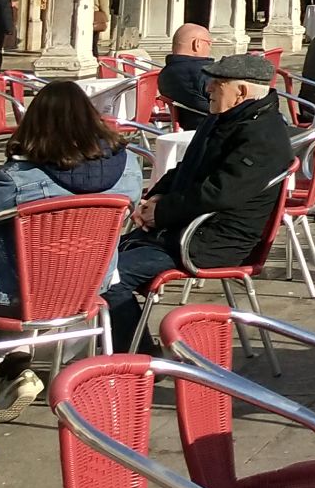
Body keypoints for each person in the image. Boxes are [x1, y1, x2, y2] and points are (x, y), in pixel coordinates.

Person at [0, 79, 139, 408]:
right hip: (88, 286)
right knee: (24, 257)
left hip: (17, 295)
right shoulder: (129, 167)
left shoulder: (20, 177)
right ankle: (15, 359)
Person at [105, 54, 295, 349]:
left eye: (216, 84)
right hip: (181, 228)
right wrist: (154, 196)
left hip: (212, 240)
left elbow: (218, 193)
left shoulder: (263, 136)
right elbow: (185, 167)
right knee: (93, 261)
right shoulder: (222, 118)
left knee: (108, 276)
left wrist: (162, 213)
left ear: (241, 91)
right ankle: (118, 346)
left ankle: (141, 359)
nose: (207, 89)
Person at [157, 24, 216, 131]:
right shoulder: (203, 73)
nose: (210, 48)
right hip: (216, 128)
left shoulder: (165, 73)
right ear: (197, 44)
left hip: (191, 127)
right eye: (209, 43)